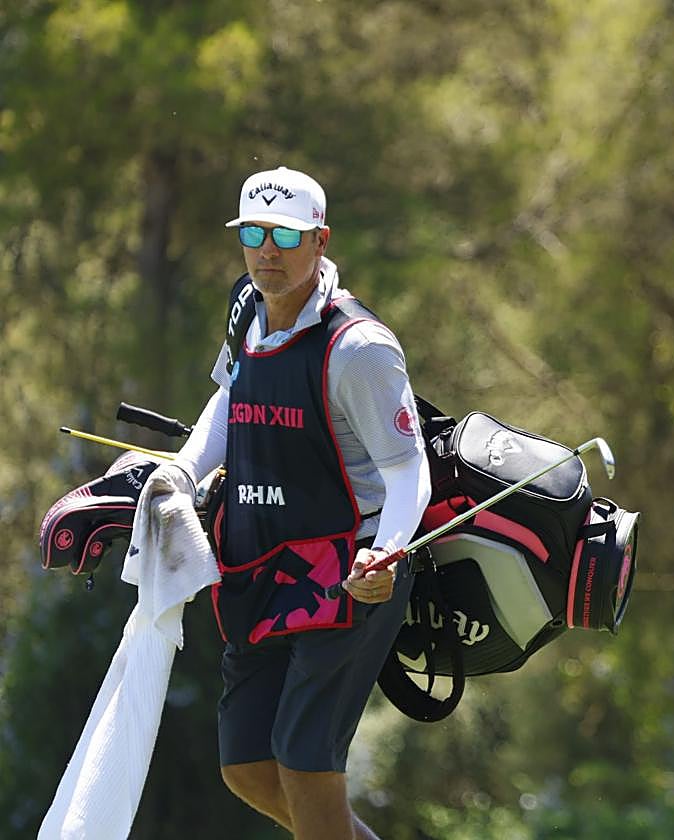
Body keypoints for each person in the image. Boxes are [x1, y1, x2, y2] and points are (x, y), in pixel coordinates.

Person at [156, 165, 431, 840]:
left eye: (285, 234)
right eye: (253, 233)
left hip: (349, 571)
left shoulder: (359, 347)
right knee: (248, 766)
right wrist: (183, 473)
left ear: (320, 240)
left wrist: (384, 555)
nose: (267, 250)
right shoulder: (246, 306)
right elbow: (230, 396)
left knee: (305, 765)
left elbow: (408, 471)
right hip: (261, 567)